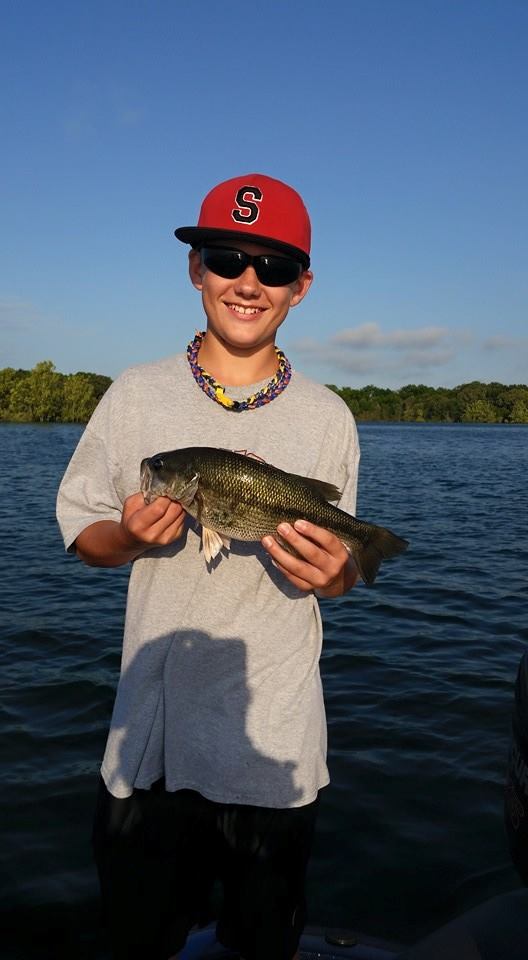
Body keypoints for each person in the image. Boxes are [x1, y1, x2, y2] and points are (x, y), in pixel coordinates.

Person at [56, 173, 360, 960]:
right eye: (226, 258)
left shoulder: (329, 417)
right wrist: (126, 540)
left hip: (276, 748)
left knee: (264, 942)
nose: (248, 282)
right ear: (197, 271)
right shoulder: (134, 396)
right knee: (138, 937)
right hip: (152, 742)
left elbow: (343, 568)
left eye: (275, 267)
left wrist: (340, 574)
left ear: (302, 287)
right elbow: (84, 532)